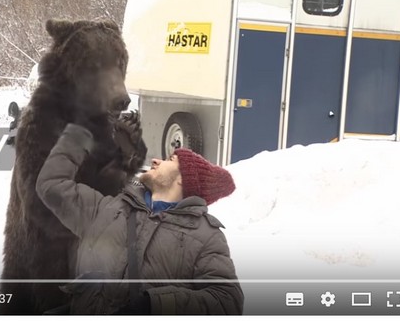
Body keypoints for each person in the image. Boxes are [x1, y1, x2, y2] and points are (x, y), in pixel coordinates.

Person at [35, 123, 244, 314]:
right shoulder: (108, 209)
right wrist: (78, 134)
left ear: (183, 179)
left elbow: (227, 301)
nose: (155, 160)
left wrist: (155, 304)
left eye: (170, 159)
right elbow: (52, 185)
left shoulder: (206, 236)